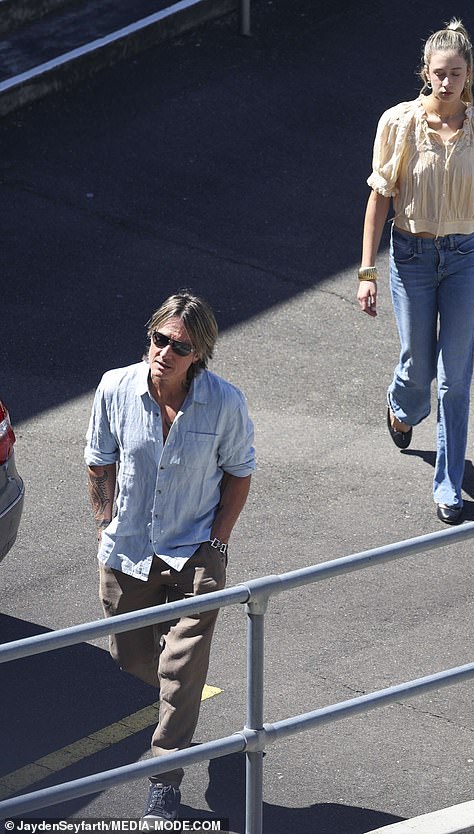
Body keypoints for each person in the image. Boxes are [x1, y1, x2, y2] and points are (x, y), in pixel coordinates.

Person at [85, 290, 255, 822]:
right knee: (132, 658)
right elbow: (98, 463)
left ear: (198, 355)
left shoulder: (224, 402)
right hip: (128, 548)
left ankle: (165, 782)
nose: (165, 352)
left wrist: (219, 541)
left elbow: (240, 472)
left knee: (181, 670)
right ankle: (180, 708)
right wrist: (103, 526)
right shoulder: (115, 387)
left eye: (179, 347)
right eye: (160, 339)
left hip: (195, 553)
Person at [357, 18, 474, 525]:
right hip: (412, 257)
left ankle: (449, 485)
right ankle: (400, 405)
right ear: (424, 72)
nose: (446, 82)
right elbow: (379, 198)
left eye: (455, 73)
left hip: (463, 257)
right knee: (418, 367)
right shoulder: (398, 123)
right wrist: (367, 271)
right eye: (439, 73)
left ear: (469, 75)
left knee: (453, 377)